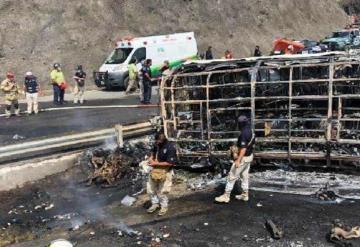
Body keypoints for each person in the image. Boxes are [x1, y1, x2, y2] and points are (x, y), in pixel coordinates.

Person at [215, 115, 255, 203]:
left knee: (231, 176)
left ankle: (226, 196)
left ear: (240, 124)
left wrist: (237, 160)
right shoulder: (250, 130)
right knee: (244, 176)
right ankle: (245, 195)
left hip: (243, 158)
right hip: (249, 157)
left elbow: (243, 148)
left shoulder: (244, 133)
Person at [146, 133, 176, 216]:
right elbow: (153, 152)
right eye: (156, 141)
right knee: (151, 189)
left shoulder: (170, 148)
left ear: (162, 140)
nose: (157, 143)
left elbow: (170, 163)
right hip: (154, 170)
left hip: (165, 171)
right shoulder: (157, 145)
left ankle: (164, 206)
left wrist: (155, 163)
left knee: (162, 191)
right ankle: (155, 204)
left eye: (158, 141)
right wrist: (151, 158)